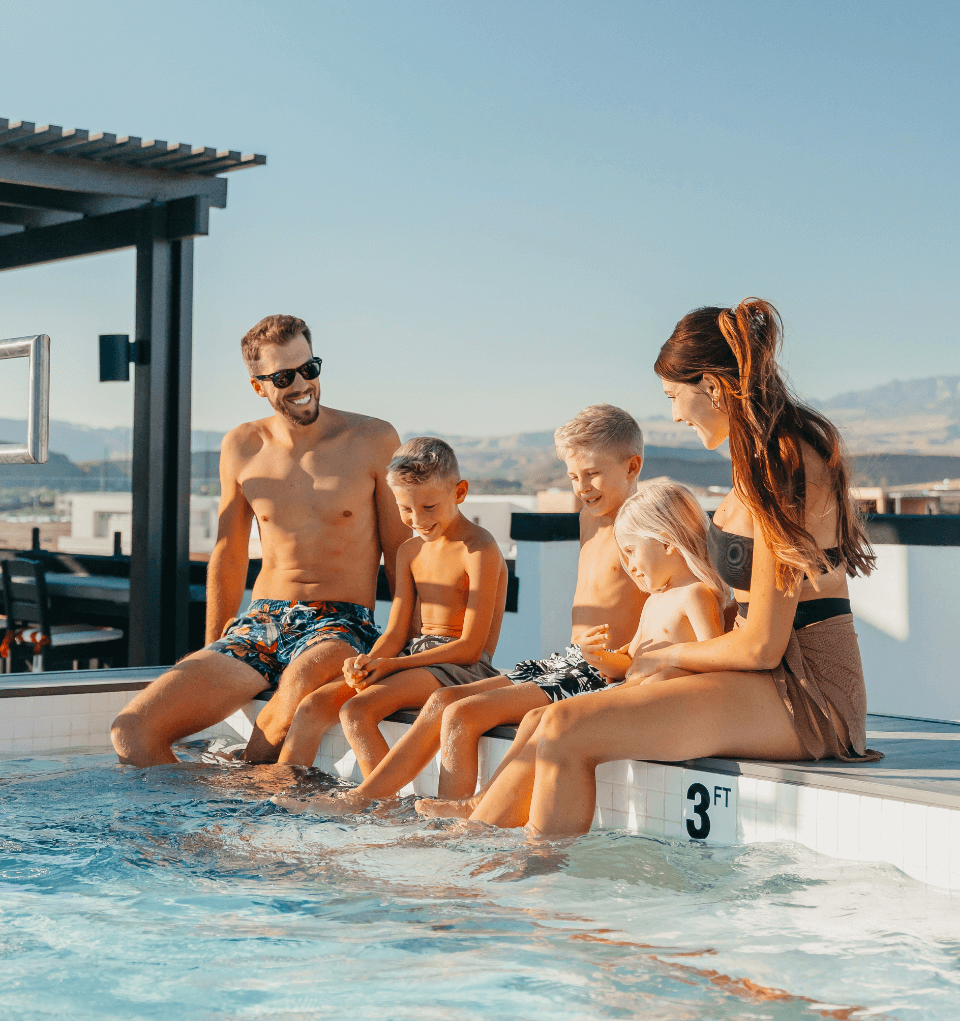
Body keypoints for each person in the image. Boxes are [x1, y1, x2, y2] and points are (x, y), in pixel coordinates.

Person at [462, 298, 882, 837]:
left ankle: (541, 897)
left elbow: (761, 646)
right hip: (769, 680)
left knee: (567, 725)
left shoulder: (782, 465)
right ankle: (472, 860)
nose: (676, 416)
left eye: (673, 397)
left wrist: (669, 654)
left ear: (711, 384)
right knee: (545, 718)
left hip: (809, 694)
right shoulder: (760, 461)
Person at [304, 405, 647, 815]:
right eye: (574, 476)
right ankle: (393, 802)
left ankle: (434, 811)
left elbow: (668, 596)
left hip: (601, 669)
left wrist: (626, 661)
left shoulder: (643, 524)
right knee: (444, 704)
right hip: (567, 659)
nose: (582, 486)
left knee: (461, 712)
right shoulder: (587, 518)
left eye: (591, 474)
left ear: (632, 466)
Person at [110, 314, 409, 767]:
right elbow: (229, 553)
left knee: (278, 714)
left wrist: (410, 648)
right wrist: (212, 645)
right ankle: (201, 821)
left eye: (310, 368)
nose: (303, 384)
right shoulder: (242, 446)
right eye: (285, 376)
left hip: (341, 624)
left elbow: (403, 553)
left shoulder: (372, 438)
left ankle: (244, 807)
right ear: (259, 386)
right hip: (263, 620)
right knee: (132, 733)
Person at [424, 476, 731, 822]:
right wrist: (600, 659)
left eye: (631, 552)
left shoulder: (695, 595)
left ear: (666, 542)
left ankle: (486, 809)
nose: (630, 567)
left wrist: (670, 670)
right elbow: (629, 663)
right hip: (626, 692)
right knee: (535, 718)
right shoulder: (655, 600)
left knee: (549, 721)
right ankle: (484, 798)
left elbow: (714, 662)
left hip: (653, 705)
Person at [276, 437, 507, 777]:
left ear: (459, 493)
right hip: (412, 660)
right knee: (313, 705)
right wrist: (369, 661)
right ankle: (282, 804)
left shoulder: (479, 549)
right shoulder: (409, 552)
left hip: (459, 668)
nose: (417, 519)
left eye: (429, 507)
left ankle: (384, 809)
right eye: (406, 509)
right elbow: (397, 631)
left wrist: (392, 666)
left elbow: (471, 649)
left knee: (356, 712)